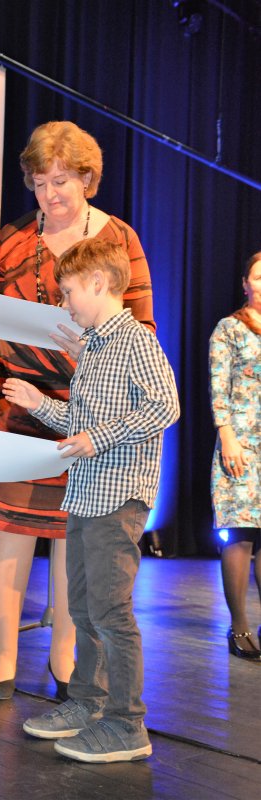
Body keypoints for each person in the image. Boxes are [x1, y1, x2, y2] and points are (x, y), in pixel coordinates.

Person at [0, 121, 155, 700]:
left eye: (61, 181)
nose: (49, 195)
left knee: (74, 533)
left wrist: (92, 346)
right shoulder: (13, 237)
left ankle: (64, 656)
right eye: (39, 183)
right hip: (16, 400)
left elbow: (143, 328)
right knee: (8, 529)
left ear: (88, 178)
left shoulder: (119, 239)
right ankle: (4, 656)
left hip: (88, 410)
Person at [2, 239, 179, 762]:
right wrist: (40, 404)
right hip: (86, 495)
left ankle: (127, 725)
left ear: (99, 283)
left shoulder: (135, 340)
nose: (64, 303)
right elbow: (80, 427)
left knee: (110, 612)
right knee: (82, 608)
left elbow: (165, 406)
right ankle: (89, 703)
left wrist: (97, 439)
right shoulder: (95, 348)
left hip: (117, 497)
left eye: (68, 291)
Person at [209, 251, 261, 661]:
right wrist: (226, 435)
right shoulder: (229, 328)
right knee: (240, 533)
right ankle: (239, 626)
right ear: (245, 283)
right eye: (258, 277)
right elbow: (218, 386)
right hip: (241, 442)